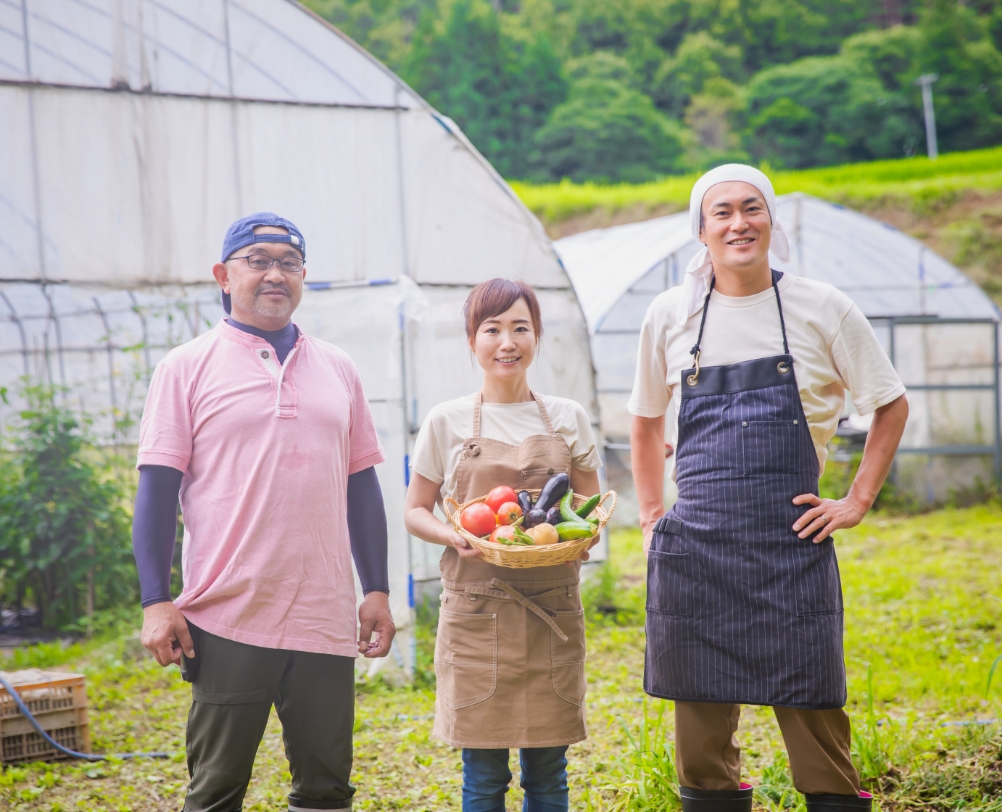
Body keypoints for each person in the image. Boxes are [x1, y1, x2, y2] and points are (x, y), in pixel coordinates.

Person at [629, 166, 909, 812]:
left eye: (751, 208)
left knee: (813, 707)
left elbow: (889, 404)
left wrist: (857, 500)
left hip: (790, 545)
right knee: (699, 731)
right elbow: (644, 422)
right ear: (700, 232)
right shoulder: (671, 314)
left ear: (770, 220)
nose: (738, 223)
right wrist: (651, 517)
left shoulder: (821, 307)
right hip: (696, 551)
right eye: (721, 212)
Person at [133, 212, 395, 812]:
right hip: (227, 616)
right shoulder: (186, 367)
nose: (275, 274)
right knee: (217, 790)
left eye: (289, 263)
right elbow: (155, 493)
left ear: (304, 277)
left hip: (323, 616)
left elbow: (361, 485)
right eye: (259, 261)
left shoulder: (338, 368)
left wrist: (375, 589)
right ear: (225, 275)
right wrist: (156, 600)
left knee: (327, 789)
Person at [404, 279, 602, 812]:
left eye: (520, 328)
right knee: (483, 778)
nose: (506, 341)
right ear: (472, 341)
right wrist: (455, 534)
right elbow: (415, 510)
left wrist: (579, 542)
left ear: (537, 337)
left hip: (551, 611)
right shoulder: (445, 421)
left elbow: (588, 508)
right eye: (492, 329)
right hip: (475, 614)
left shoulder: (567, 417)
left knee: (549, 774)